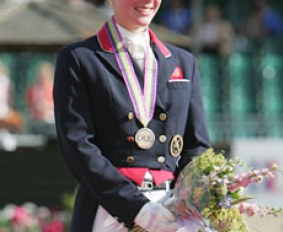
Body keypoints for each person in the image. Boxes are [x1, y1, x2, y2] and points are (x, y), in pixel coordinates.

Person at [53, 0, 210, 231]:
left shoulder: (184, 62)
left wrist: (186, 199)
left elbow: (198, 145)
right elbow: (77, 145)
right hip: (108, 210)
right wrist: (137, 209)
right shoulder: (79, 59)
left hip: (171, 212)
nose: (148, 1)